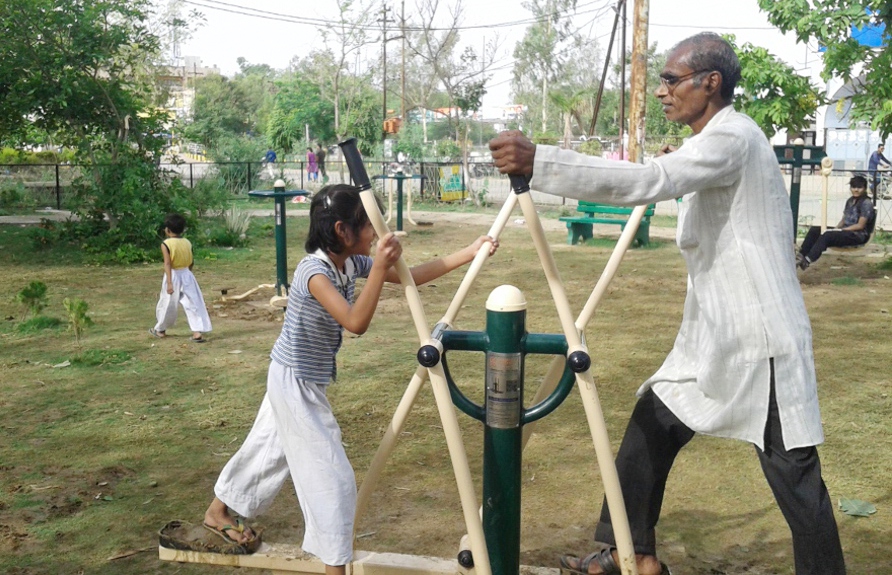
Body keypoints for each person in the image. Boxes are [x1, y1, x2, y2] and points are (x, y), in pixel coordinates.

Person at [490, 32, 844, 575]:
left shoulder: (733, 138)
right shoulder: (717, 140)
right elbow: (685, 175)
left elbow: (653, 180)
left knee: (797, 479)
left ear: (711, 83)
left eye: (671, 80)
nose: (661, 91)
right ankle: (630, 554)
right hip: (717, 340)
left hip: (762, 341)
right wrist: (683, 162)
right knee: (651, 423)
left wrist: (542, 163)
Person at [202, 183, 498, 575]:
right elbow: (355, 322)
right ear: (342, 231)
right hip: (294, 382)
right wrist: (377, 265)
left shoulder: (348, 263)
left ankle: (217, 511)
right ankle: (334, 566)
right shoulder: (314, 272)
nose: (373, 234)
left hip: (298, 375)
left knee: (266, 450)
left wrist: (469, 252)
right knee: (333, 480)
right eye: (366, 226)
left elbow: (412, 276)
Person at [149, 213, 212, 343]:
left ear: (167, 230)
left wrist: (170, 282)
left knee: (168, 303)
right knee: (192, 303)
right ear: (182, 229)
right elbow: (191, 260)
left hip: (173, 274)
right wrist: (188, 274)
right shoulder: (187, 242)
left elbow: (167, 263)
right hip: (187, 273)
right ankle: (197, 332)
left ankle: (161, 330)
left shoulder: (166, 244)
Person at [797, 174, 875, 270]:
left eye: (859, 187)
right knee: (816, 230)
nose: (856, 190)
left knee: (827, 235)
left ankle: (807, 260)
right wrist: (836, 229)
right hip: (846, 232)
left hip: (857, 235)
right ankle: (800, 255)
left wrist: (842, 230)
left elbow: (860, 225)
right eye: (853, 187)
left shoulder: (866, 203)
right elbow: (844, 219)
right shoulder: (850, 201)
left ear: (864, 188)